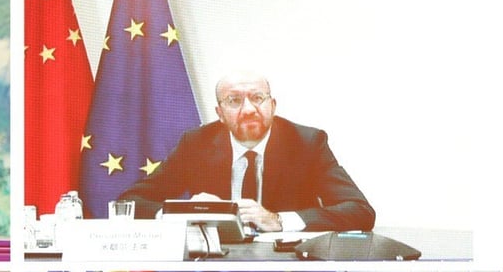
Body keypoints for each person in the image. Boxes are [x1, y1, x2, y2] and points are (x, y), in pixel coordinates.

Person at [120, 72, 375, 233]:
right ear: (219, 114)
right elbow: (128, 204)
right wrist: (185, 212)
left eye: (258, 98)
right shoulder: (196, 144)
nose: (249, 109)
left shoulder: (307, 143)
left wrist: (279, 220)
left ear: (272, 106)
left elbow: (360, 211)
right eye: (234, 101)